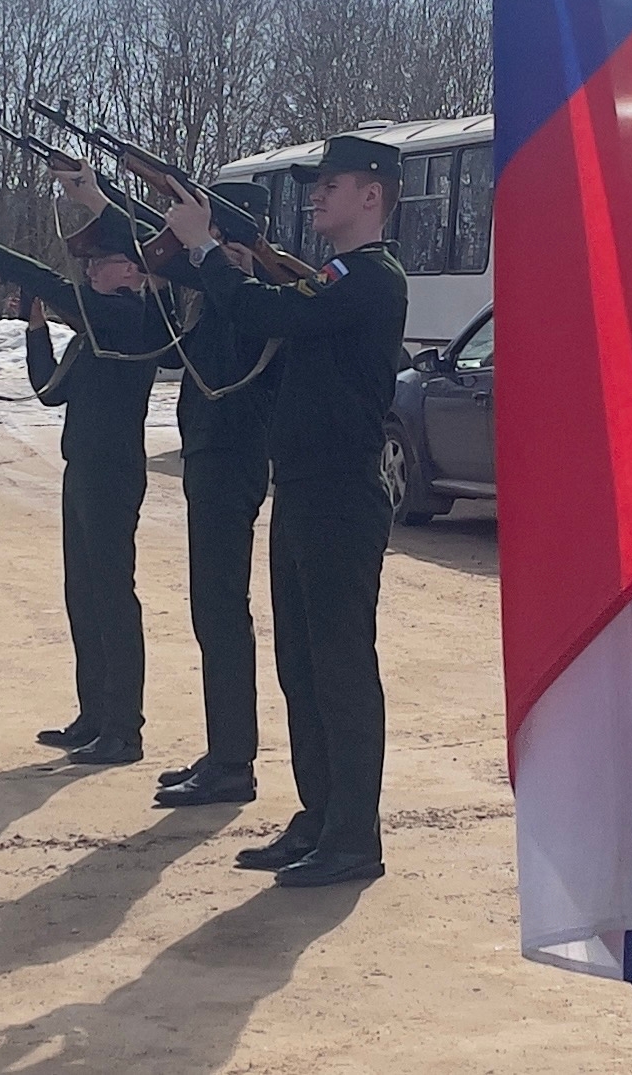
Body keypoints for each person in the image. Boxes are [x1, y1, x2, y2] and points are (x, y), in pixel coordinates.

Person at [165, 134, 407, 888]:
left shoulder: (371, 276)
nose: (315, 195)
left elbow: (271, 313)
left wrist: (205, 248)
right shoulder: (335, 274)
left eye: (330, 184)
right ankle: (320, 814)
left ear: (372, 194)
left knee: (339, 665)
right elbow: (264, 312)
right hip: (302, 487)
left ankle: (354, 833)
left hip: (342, 493)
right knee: (300, 664)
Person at [51, 165, 279, 808]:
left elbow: (199, 275)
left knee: (223, 615)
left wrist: (207, 252)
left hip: (232, 465)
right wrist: (97, 199)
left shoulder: (244, 296)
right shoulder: (216, 295)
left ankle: (234, 763)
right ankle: (225, 754)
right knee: (214, 614)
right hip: (210, 467)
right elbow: (154, 249)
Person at [0, 213, 165, 766]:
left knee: (112, 597)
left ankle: (123, 728)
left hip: (112, 473)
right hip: (82, 469)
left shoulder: (128, 318)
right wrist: (35, 329)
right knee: (82, 596)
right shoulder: (94, 330)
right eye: (100, 263)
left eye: (110, 262)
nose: (100, 270)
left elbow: (56, 285)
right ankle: (95, 715)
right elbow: (49, 393)